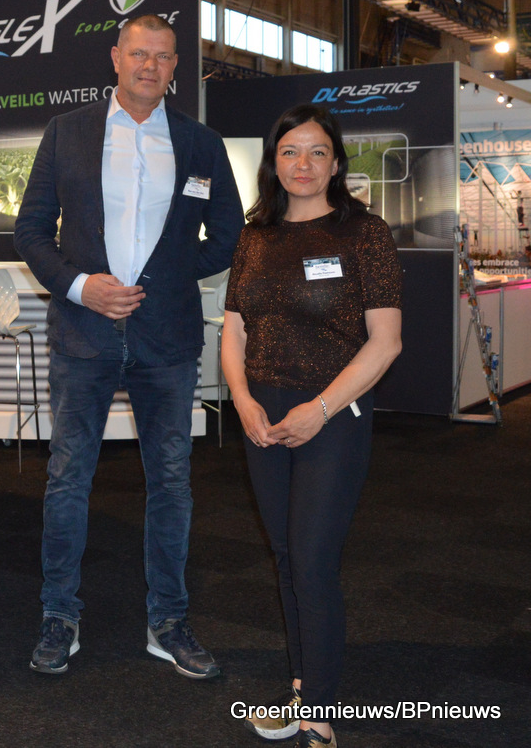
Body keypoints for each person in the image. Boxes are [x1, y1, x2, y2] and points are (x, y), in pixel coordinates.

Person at [13, 14, 244, 676]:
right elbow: (31, 230)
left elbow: (228, 234)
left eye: (162, 56)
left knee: (171, 479)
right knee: (68, 477)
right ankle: (59, 614)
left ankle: (167, 619)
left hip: (166, 340)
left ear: (176, 67)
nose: (149, 65)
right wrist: (81, 287)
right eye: (138, 53)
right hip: (83, 334)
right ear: (116, 58)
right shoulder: (67, 132)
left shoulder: (201, 144)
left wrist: (167, 278)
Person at [221, 104, 402, 747]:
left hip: (334, 414)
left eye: (317, 151)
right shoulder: (255, 237)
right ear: (274, 162)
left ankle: (320, 713)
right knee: (286, 555)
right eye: (290, 151)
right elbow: (234, 330)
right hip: (262, 414)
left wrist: (319, 409)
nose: (303, 163)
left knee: (314, 561)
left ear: (336, 162)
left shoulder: (365, 233)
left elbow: (385, 342)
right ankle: (303, 686)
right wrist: (242, 400)